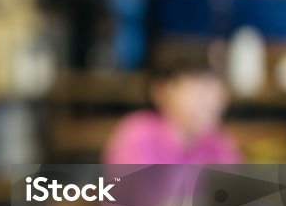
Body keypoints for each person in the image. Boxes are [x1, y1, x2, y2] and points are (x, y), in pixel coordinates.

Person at [102, 53, 242, 165]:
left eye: (214, 88)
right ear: (160, 91)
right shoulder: (138, 133)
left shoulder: (218, 140)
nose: (209, 100)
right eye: (196, 89)